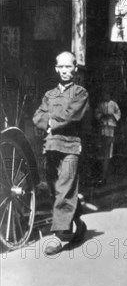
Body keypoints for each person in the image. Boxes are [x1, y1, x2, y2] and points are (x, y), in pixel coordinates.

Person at [33, 52, 89, 254]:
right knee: (54, 189)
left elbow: (72, 115)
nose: (65, 71)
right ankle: (78, 223)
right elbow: (37, 115)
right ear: (56, 69)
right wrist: (48, 120)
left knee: (64, 188)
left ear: (75, 69)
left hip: (71, 147)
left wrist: (50, 120)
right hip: (50, 146)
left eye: (69, 67)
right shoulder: (49, 95)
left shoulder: (80, 93)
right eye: (62, 67)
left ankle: (59, 236)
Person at [94, 91, 121, 186]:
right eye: (104, 94)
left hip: (111, 128)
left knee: (109, 150)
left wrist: (112, 115)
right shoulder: (100, 105)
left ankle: (107, 173)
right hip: (103, 127)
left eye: (107, 94)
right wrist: (102, 116)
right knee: (102, 149)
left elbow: (118, 113)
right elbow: (97, 113)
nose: (106, 96)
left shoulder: (113, 104)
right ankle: (102, 174)